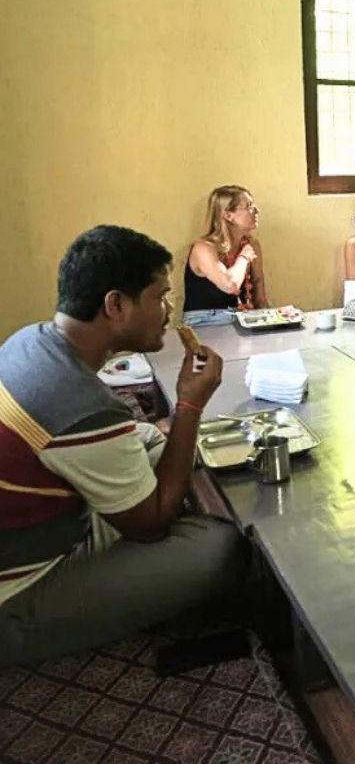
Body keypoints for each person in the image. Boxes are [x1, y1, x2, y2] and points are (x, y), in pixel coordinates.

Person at [0, 225, 247, 666]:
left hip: (46, 526)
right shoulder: (80, 404)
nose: (169, 310)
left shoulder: (30, 340)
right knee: (222, 545)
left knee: (150, 437)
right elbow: (148, 525)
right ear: (115, 305)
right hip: (18, 593)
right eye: (159, 297)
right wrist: (189, 403)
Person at [183, 185, 269, 326]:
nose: (256, 210)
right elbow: (230, 285)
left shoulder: (252, 245)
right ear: (228, 215)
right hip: (204, 321)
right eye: (248, 206)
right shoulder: (203, 248)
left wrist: (268, 322)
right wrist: (244, 257)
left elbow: (258, 290)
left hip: (242, 318)